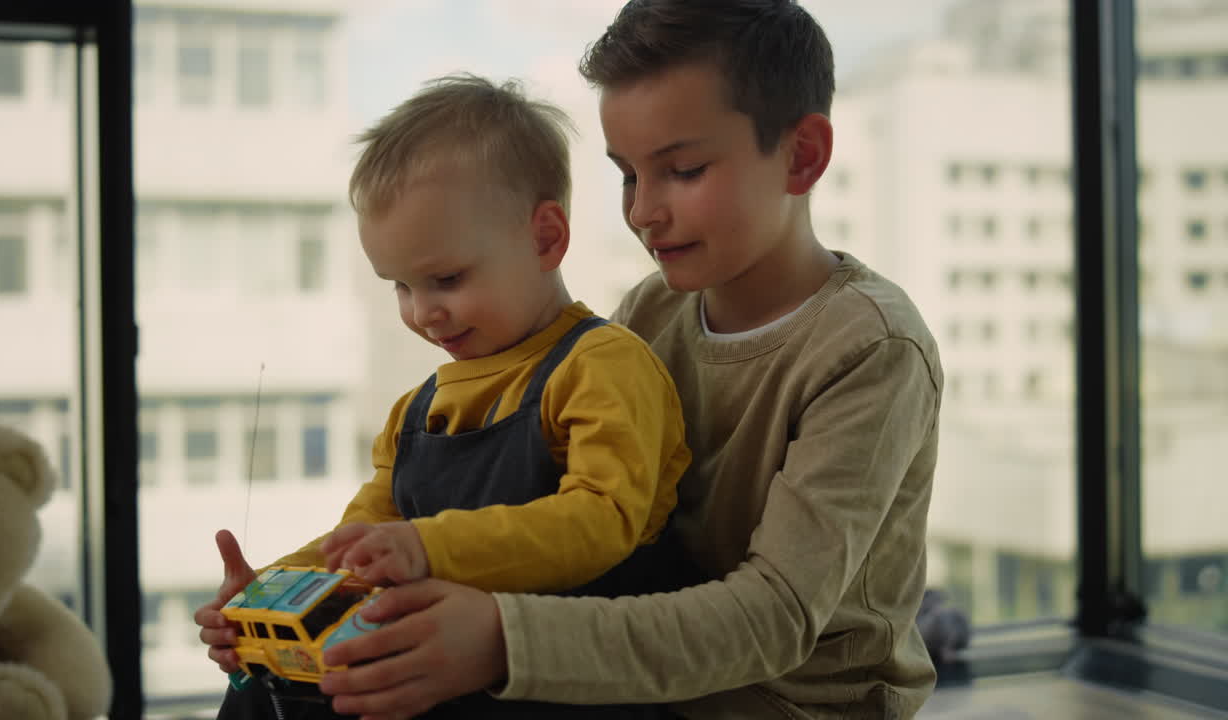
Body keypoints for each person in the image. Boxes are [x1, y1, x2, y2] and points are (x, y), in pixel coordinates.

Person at [304, 1, 947, 719]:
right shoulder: (650, 312)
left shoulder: (871, 350)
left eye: (683, 170)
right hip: (633, 688)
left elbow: (775, 619)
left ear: (801, 156)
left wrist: (498, 640)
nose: (642, 211)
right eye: (627, 176)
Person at [193, 74, 695, 719]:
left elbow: (602, 521)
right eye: (400, 287)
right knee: (275, 692)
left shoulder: (603, 365)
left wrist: (428, 548)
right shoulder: (417, 409)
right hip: (449, 683)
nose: (424, 313)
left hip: (574, 686)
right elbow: (361, 541)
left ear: (546, 238)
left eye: (446, 279)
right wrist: (269, 594)